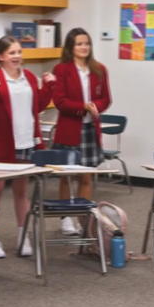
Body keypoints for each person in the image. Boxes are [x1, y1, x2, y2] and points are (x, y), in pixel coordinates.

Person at [0, 36, 55, 258]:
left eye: (19, 52)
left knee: (22, 191)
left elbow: (39, 105)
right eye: (12, 53)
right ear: (1, 56)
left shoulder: (29, 77)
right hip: (2, 142)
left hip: (27, 140)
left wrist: (49, 86)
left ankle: (23, 235)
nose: (17, 56)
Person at [51, 28, 111, 235]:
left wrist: (96, 106)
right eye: (79, 44)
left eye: (87, 43)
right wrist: (82, 107)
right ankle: (66, 217)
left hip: (90, 130)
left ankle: (83, 217)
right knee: (67, 176)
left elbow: (106, 98)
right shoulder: (61, 69)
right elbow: (60, 101)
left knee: (86, 177)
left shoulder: (99, 69)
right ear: (70, 47)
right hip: (69, 130)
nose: (84, 47)